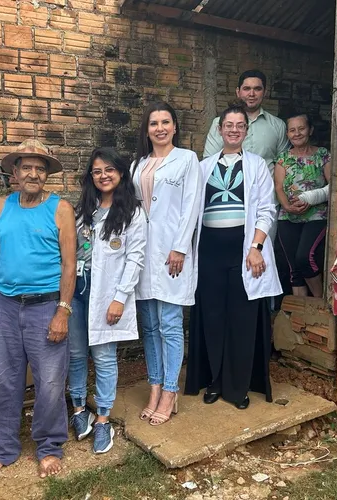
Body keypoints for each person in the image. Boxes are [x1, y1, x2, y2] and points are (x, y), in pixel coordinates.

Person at [0, 139, 77, 478]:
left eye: (40, 168)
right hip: (5, 306)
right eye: (26, 167)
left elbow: (69, 265)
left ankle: (49, 447)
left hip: (46, 306)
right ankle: (2, 449)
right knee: (4, 381)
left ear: (46, 174)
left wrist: (62, 311)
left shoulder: (60, 208)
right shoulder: (0, 206)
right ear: (15, 173)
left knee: (49, 382)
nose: (33, 173)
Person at [185, 105, 282, 409]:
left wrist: (256, 247)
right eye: (229, 125)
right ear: (219, 129)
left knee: (241, 319)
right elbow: (189, 209)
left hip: (243, 250)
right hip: (210, 249)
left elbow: (267, 209)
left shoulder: (256, 166)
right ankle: (214, 381)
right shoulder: (202, 167)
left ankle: (237, 386)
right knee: (213, 317)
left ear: (246, 131)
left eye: (240, 125)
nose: (234, 130)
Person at [67, 147, 147, 454]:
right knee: (75, 353)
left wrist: (119, 299)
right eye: (97, 171)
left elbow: (135, 260)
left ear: (121, 173)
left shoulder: (133, 213)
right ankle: (77, 409)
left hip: (107, 294)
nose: (103, 176)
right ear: (90, 176)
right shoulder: (82, 211)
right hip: (77, 290)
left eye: (109, 170)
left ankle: (102, 418)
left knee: (102, 357)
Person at [132, 101, 202, 426]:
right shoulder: (138, 164)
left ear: (175, 126)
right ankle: (155, 386)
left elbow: (191, 207)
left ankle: (171, 391)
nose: (159, 128)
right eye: (153, 123)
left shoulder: (187, 160)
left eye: (165, 122)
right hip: (143, 253)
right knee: (148, 326)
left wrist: (180, 247)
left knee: (170, 323)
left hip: (172, 253)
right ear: (147, 130)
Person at [273, 113, 331, 298]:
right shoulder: (283, 159)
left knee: (305, 258)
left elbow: (333, 186)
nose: (297, 133)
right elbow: (279, 187)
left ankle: (319, 303)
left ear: (310, 130)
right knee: (293, 269)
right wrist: (287, 207)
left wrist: (312, 197)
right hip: (288, 217)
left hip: (316, 216)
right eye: (292, 130)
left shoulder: (323, 155)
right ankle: (300, 320)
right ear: (287, 134)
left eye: (301, 128)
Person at [203, 69, 290, 166]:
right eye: (246, 89)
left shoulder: (278, 125)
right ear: (238, 92)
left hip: (264, 180)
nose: (251, 94)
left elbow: (284, 164)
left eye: (257, 89)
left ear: (265, 92)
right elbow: (209, 161)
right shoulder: (219, 123)